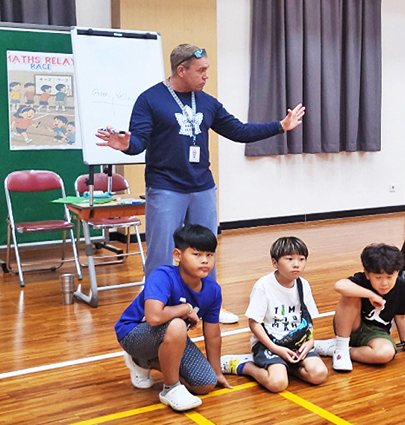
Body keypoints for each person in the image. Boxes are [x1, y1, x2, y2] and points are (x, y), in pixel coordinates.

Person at [96, 44, 305, 324]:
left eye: (207, 69)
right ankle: (154, 309)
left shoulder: (206, 102)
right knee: (161, 254)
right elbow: (138, 142)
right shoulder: (150, 99)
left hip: (202, 187)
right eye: (201, 70)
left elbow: (239, 131)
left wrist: (280, 126)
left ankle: (210, 308)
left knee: (206, 249)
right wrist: (125, 146)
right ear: (181, 70)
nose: (206, 75)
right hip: (165, 187)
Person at [114, 224, 232, 412]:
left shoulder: (213, 290)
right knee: (177, 325)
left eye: (209, 255)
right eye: (197, 254)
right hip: (133, 335)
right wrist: (185, 308)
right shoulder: (162, 276)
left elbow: (213, 334)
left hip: (172, 336)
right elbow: (153, 317)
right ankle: (170, 388)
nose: (205, 260)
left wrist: (217, 371)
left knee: (205, 384)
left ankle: (144, 362)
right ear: (177, 255)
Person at [219, 237, 327, 391]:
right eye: (289, 259)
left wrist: (310, 342)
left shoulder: (303, 285)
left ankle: (287, 366)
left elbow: (307, 319)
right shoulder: (263, 286)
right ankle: (246, 366)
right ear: (275, 263)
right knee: (277, 383)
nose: (296, 264)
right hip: (269, 344)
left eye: (301, 259)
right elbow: (254, 323)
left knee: (319, 374)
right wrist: (276, 349)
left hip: (296, 343)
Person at [314, 243, 405, 372]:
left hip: (376, 333)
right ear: (367, 274)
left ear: (398, 273)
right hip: (351, 326)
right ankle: (341, 349)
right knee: (350, 293)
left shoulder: (400, 285)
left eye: (390, 277)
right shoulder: (361, 280)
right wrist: (370, 295)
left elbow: (401, 316)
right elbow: (339, 286)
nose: (384, 283)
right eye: (378, 277)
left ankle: (338, 349)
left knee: (385, 353)